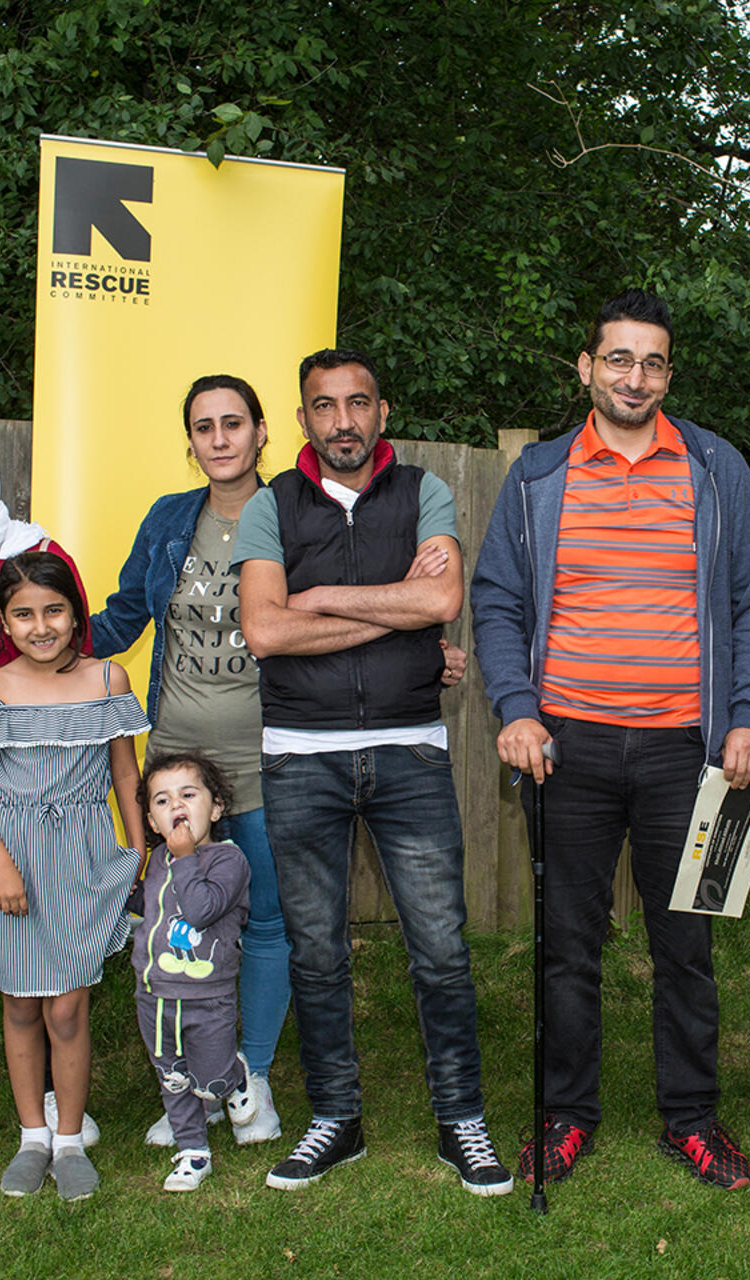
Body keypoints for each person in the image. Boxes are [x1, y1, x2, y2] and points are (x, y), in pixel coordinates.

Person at [471, 288, 750, 1190]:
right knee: (569, 943)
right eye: (618, 358)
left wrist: (749, 716)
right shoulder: (538, 477)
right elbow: (498, 602)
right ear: (586, 367)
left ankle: (690, 1118)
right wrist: (518, 707)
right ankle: (566, 1116)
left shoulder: (718, 471)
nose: (634, 376)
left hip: (689, 751)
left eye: (651, 362)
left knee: (684, 944)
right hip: (565, 745)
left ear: (668, 374)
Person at [235, 347, 511, 1195]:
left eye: (359, 404)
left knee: (440, 948)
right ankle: (335, 1118)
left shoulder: (424, 490)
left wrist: (316, 598)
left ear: (382, 413)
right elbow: (267, 634)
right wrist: (391, 612)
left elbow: (440, 604)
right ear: (303, 419)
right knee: (316, 950)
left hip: (410, 751)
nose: (343, 421)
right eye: (325, 406)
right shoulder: (268, 505)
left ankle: (461, 1117)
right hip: (298, 759)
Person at [90, 374, 289, 1145]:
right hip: (180, 771)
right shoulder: (170, 520)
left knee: (265, 922)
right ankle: (198, 1084)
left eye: (233, 423)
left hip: (270, 761)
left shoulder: (291, 518)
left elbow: (331, 610)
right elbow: (121, 617)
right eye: (204, 426)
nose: (219, 438)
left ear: (261, 431)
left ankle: (253, 1079)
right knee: (179, 924)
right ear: (191, 441)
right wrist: (39, 646)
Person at [0, 552, 146, 1200]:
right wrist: (1, 865)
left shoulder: (108, 680)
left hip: (82, 859)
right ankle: (30, 1136)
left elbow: (123, 772)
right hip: (15, 861)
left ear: (75, 614)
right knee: (19, 1003)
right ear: (5, 622)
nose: (42, 626)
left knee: (67, 1006)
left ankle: (69, 1139)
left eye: (54, 610)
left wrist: (139, 849)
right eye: (24, 614)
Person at [0, 409, 98, 1157]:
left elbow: (81, 668)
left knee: (46, 950)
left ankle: (53, 1105)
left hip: (17, 774)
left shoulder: (35, 554)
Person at [133, 752, 259, 1192]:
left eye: (189, 795)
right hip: (156, 993)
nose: (177, 808)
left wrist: (186, 857)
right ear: (151, 819)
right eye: (162, 801)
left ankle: (235, 1077)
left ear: (217, 806)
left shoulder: (228, 861)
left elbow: (202, 910)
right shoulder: (156, 865)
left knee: (210, 1080)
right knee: (172, 1074)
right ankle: (193, 1152)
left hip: (210, 996)